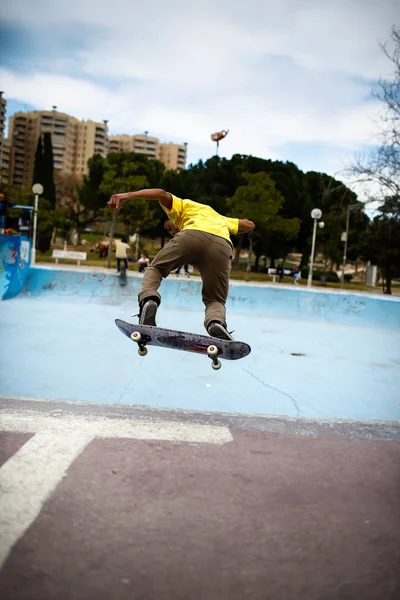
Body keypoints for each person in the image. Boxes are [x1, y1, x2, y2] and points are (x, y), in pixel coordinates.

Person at [107, 188, 255, 340]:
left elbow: (161, 194)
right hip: (223, 245)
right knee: (215, 299)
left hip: (192, 235)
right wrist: (227, 227)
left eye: (171, 229)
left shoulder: (183, 206)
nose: (173, 233)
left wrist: (126, 195)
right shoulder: (219, 218)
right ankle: (215, 322)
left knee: (156, 268)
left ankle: (149, 300)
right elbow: (249, 224)